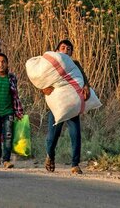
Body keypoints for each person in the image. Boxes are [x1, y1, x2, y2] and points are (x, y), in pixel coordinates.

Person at [42, 39, 90, 175]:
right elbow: (42, 80)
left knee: (75, 134)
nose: (66, 50)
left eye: (69, 49)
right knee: (52, 136)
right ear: (57, 51)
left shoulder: (75, 65)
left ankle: (75, 164)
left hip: (71, 105)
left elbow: (84, 78)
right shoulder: (51, 66)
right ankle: (50, 157)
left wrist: (86, 86)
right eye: (63, 48)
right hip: (56, 105)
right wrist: (43, 89)